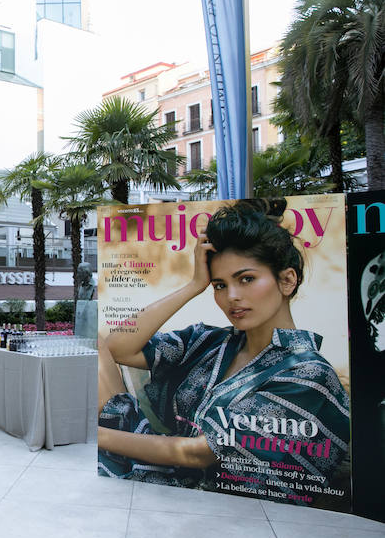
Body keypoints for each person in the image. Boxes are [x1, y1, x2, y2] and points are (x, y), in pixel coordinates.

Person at [98, 199, 351, 499]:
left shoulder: (308, 373)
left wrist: (97, 437)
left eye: (247, 279)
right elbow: (116, 348)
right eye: (219, 285)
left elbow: (201, 453)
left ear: (287, 280)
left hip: (224, 503)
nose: (232, 296)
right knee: (95, 347)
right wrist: (194, 285)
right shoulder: (212, 342)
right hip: (168, 472)